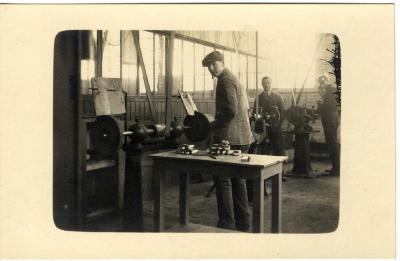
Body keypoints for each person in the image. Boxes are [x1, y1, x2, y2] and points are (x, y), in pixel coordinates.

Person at [202, 51, 254, 231]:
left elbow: (231, 110)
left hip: (231, 138)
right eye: (208, 66)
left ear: (222, 62)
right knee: (238, 178)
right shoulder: (233, 78)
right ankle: (243, 222)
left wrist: (215, 125)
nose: (210, 68)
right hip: (243, 137)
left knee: (223, 179)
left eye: (213, 64)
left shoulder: (225, 80)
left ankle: (227, 223)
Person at [316, 74, 340, 176]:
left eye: (323, 81)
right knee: (331, 144)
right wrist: (319, 106)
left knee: (333, 144)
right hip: (327, 120)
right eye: (320, 82)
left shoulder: (332, 89)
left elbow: (334, 105)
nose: (322, 83)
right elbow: (322, 108)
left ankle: (337, 169)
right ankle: (335, 167)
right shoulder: (326, 90)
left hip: (331, 120)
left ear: (327, 80)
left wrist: (322, 102)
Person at [256, 76, 286, 156]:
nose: (267, 85)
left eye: (268, 83)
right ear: (262, 84)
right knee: (263, 147)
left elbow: (283, 113)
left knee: (278, 147)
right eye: (264, 83)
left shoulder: (278, 97)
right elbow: (255, 112)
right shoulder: (259, 98)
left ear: (271, 84)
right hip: (263, 127)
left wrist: (277, 123)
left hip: (276, 127)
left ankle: (280, 165)